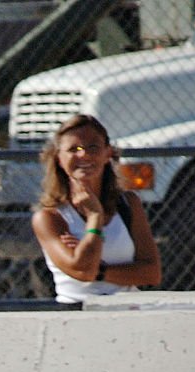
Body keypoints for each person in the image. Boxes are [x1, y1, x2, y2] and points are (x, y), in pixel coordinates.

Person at [31, 114, 161, 305]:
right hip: (78, 315)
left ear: (108, 153)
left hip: (129, 313)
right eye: (74, 149)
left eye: (93, 147)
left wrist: (99, 271)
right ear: (59, 157)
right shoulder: (49, 217)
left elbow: (151, 273)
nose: (84, 155)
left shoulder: (128, 203)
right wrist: (94, 217)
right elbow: (82, 270)